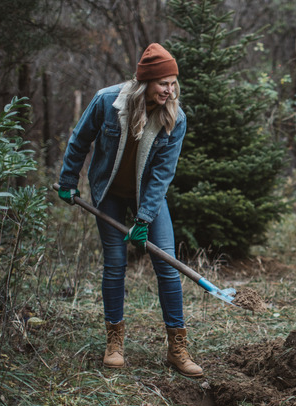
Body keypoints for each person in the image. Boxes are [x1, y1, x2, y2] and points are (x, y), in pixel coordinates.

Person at [57, 43, 202, 377]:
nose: (170, 89)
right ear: (146, 82)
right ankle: (114, 342)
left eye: (173, 82)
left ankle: (177, 347)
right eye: (163, 82)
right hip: (108, 192)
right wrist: (67, 179)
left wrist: (145, 218)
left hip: (147, 198)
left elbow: (163, 173)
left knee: (166, 265)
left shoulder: (175, 117)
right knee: (115, 264)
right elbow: (80, 140)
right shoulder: (107, 102)